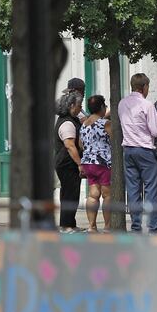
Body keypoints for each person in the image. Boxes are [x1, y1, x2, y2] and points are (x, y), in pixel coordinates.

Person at [120, 73, 157, 234]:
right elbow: (156, 131)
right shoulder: (147, 105)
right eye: (148, 87)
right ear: (144, 87)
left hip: (128, 149)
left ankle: (136, 226)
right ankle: (153, 226)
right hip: (145, 150)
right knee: (151, 189)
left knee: (133, 190)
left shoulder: (122, 103)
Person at [79, 95, 112, 232]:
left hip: (88, 163)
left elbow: (81, 144)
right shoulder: (105, 124)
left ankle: (92, 226)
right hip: (103, 162)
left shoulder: (84, 125)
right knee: (107, 195)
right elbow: (115, 140)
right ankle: (108, 226)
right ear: (101, 107)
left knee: (93, 195)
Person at [55, 92, 85, 233]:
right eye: (79, 105)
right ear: (72, 105)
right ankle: (66, 225)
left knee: (72, 193)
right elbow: (70, 146)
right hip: (67, 164)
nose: (80, 108)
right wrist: (80, 164)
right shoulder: (67, 123)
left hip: (68, 163)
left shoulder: (71, 120)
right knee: (69, 194)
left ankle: (70, 224)